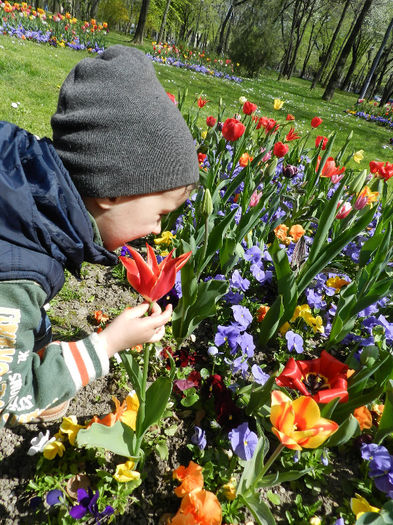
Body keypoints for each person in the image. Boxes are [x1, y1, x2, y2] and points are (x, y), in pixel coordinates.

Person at [0, 45, 199, 426]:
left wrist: (37, 345)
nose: (158, 230)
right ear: (111, 192)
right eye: (160, 214)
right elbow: (8, 398)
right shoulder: (16, 276)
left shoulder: (21, 196)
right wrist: (107, 344)